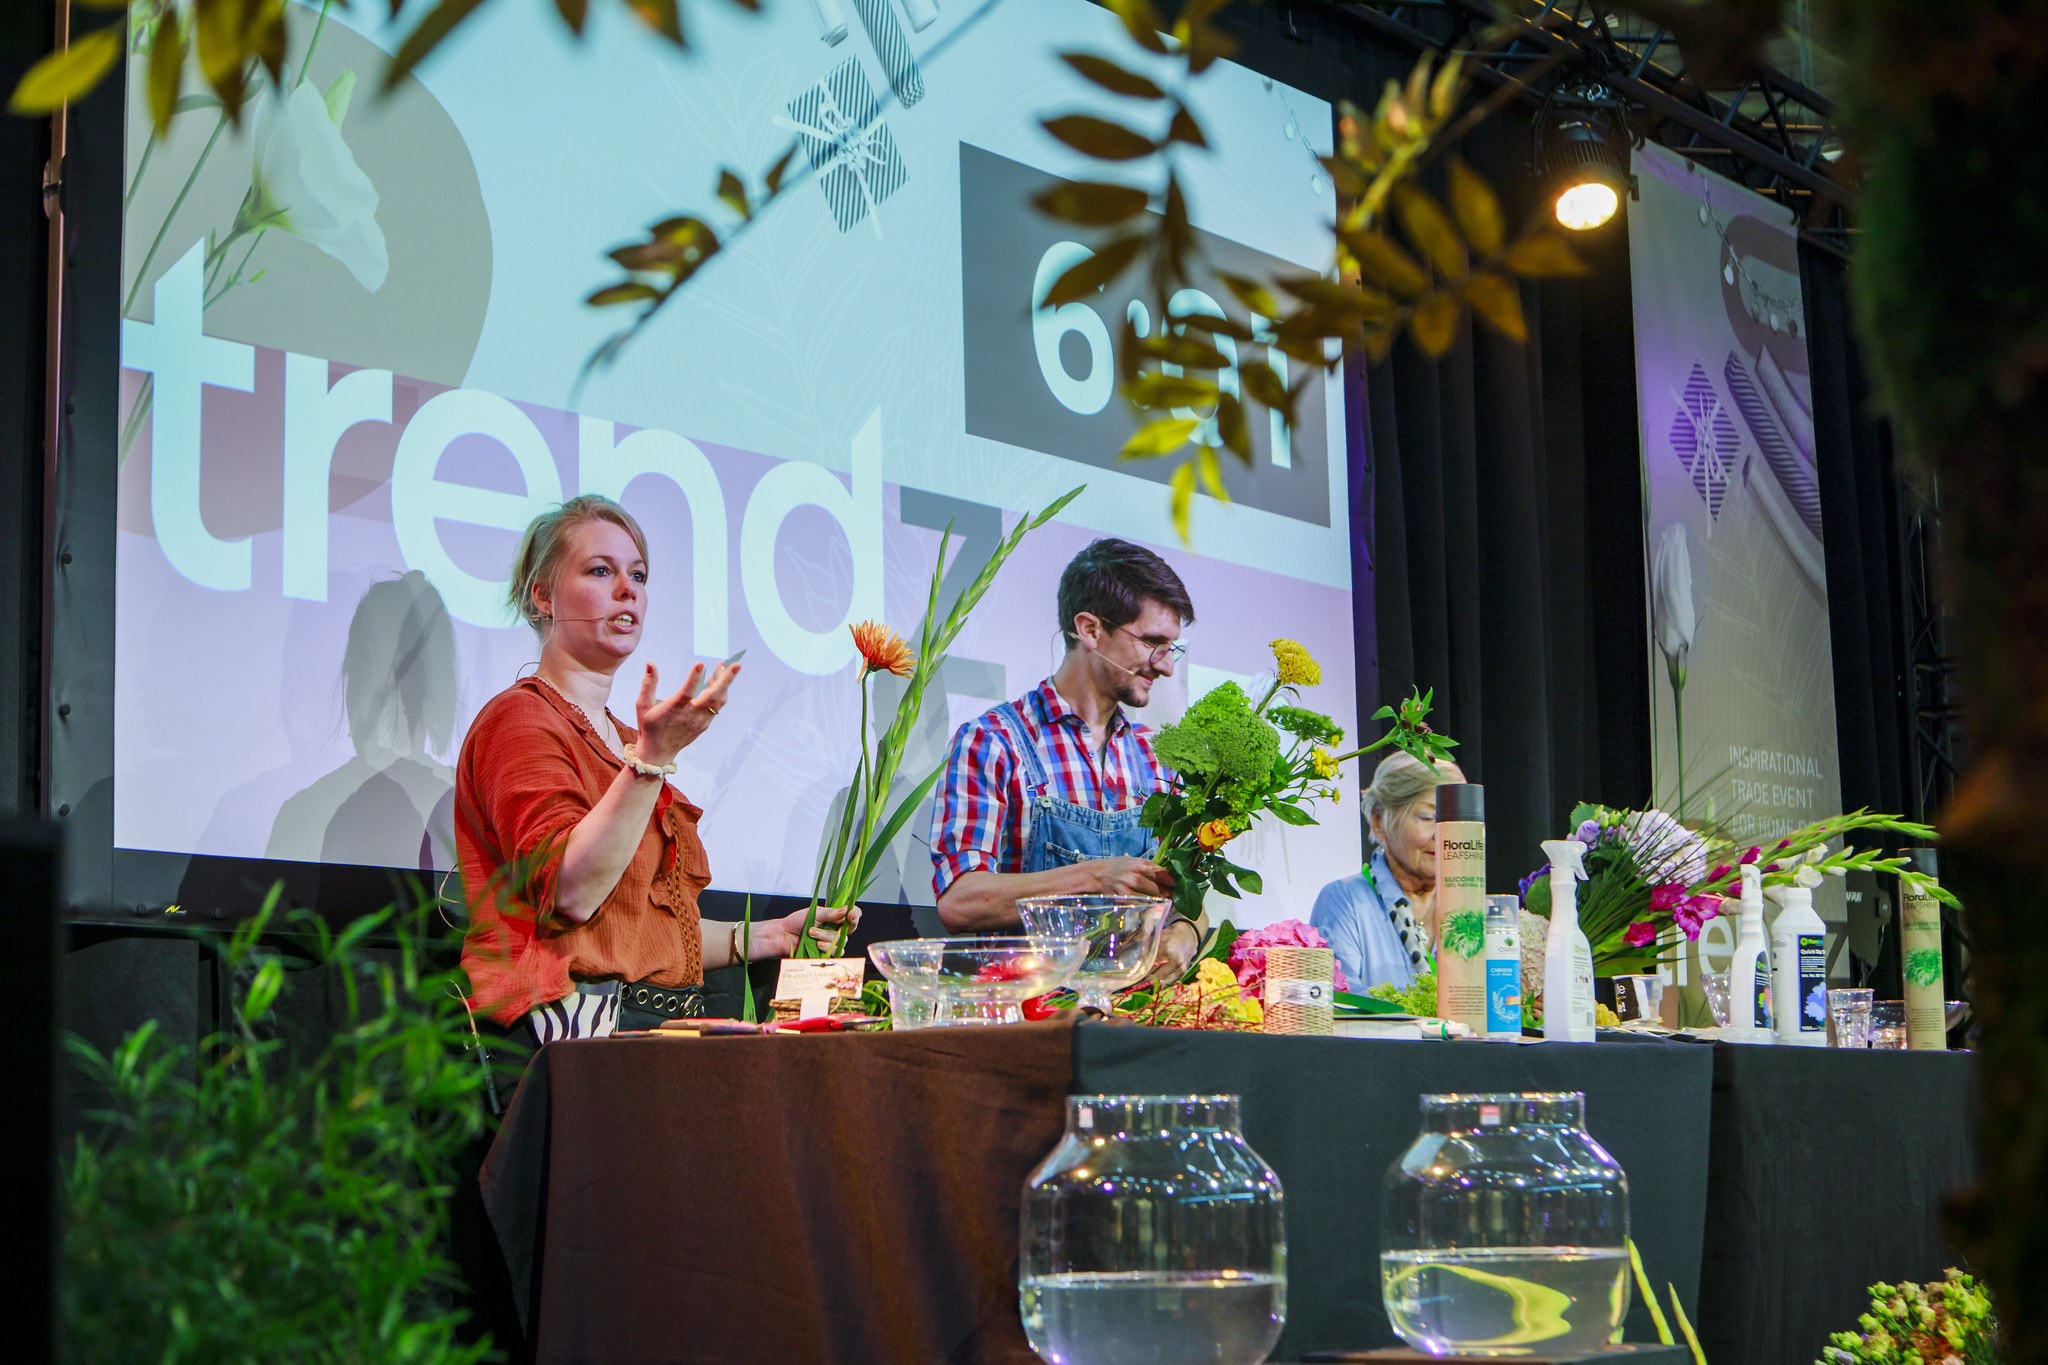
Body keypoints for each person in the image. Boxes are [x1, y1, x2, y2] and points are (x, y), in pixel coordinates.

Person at [455, 495, 850, 1042]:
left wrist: (766, 937)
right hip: (576, 1037)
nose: (628, 591)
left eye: (638, 575)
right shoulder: (520, 719)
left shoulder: (623, 742)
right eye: (600, 571)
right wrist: (653, 760)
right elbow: (571, 894)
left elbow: (644, 930)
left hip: (656, 1027)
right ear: (542, 597)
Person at [930, 538, 1201, 964]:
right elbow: (961, 901)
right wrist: (1093, 877)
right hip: (1027, 1016)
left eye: (1172, 648)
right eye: (1153, 643)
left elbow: (1189, 899)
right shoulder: (993, 741)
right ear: (1091, 630)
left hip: (1131, 1016)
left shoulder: (1156, 756)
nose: (1166, 665)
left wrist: (1185, 936)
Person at [1309, 750, 1469, 993]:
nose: (1445, 835)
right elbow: (1342, 1003)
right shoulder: (1344, 901)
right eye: (1428, 817)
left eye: (1455, 820)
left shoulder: (1468, 903)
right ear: (1378, 821)